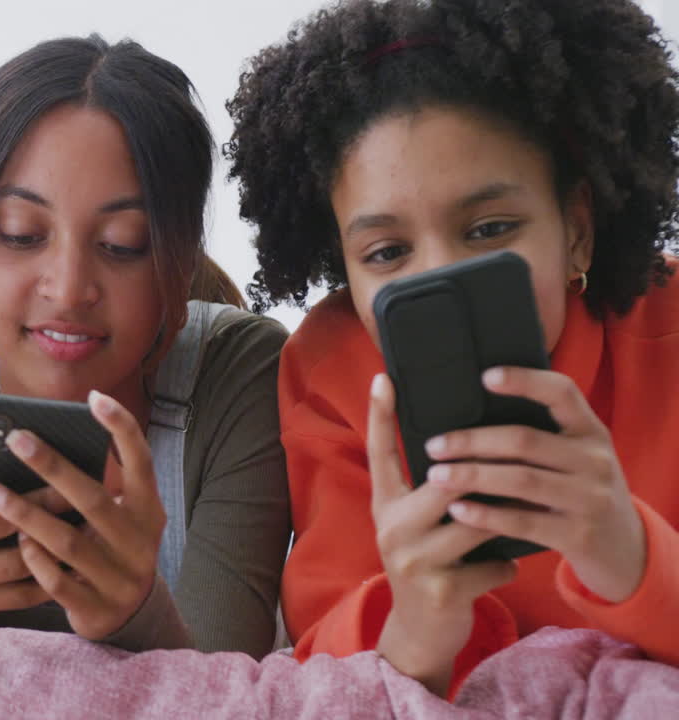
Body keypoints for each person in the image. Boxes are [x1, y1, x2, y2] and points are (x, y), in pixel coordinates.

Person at [225, 0, 679, 698]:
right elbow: (324, 678)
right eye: (387, 251)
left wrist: (633, 555)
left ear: (577, 230)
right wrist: (416, 622)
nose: (438, 277)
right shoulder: (330, 372)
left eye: (490, 228)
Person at [0, 35, 291, 666]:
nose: (67, 289)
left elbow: (235, 693)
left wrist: (138, 613)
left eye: (123, 244)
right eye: (22, 234)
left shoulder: (239, 374)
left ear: (177, 268)